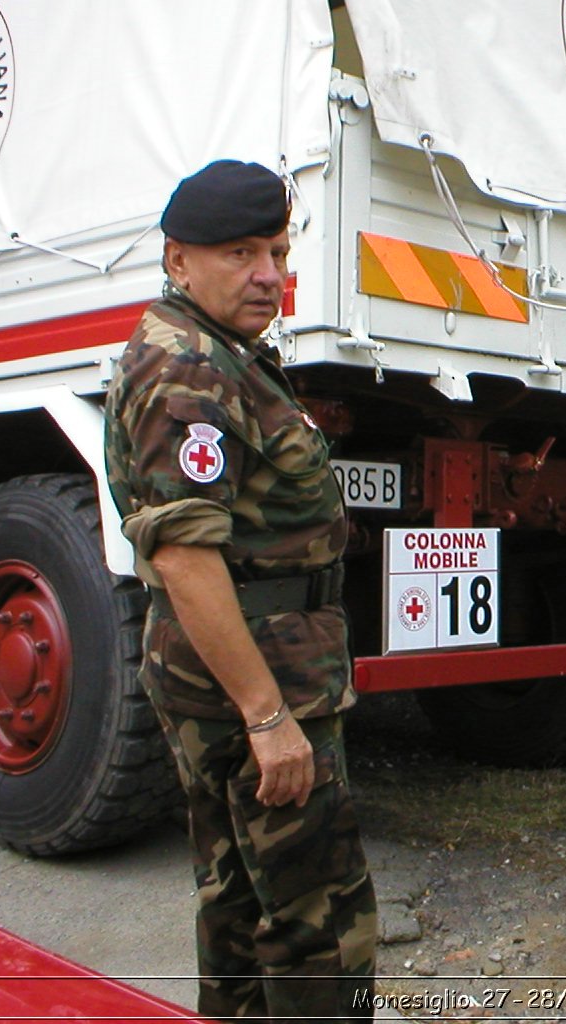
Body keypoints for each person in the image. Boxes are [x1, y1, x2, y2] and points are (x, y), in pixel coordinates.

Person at [104, 159, 376, 1022]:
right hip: (255, 679)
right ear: (179, 260)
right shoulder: (188, 372)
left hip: (250, 668)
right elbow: (185, 557)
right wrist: (267, 716)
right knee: (317, 922)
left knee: (241, 901)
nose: (269, 274)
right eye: (240, 253)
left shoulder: (218, 354)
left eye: (278, 250)